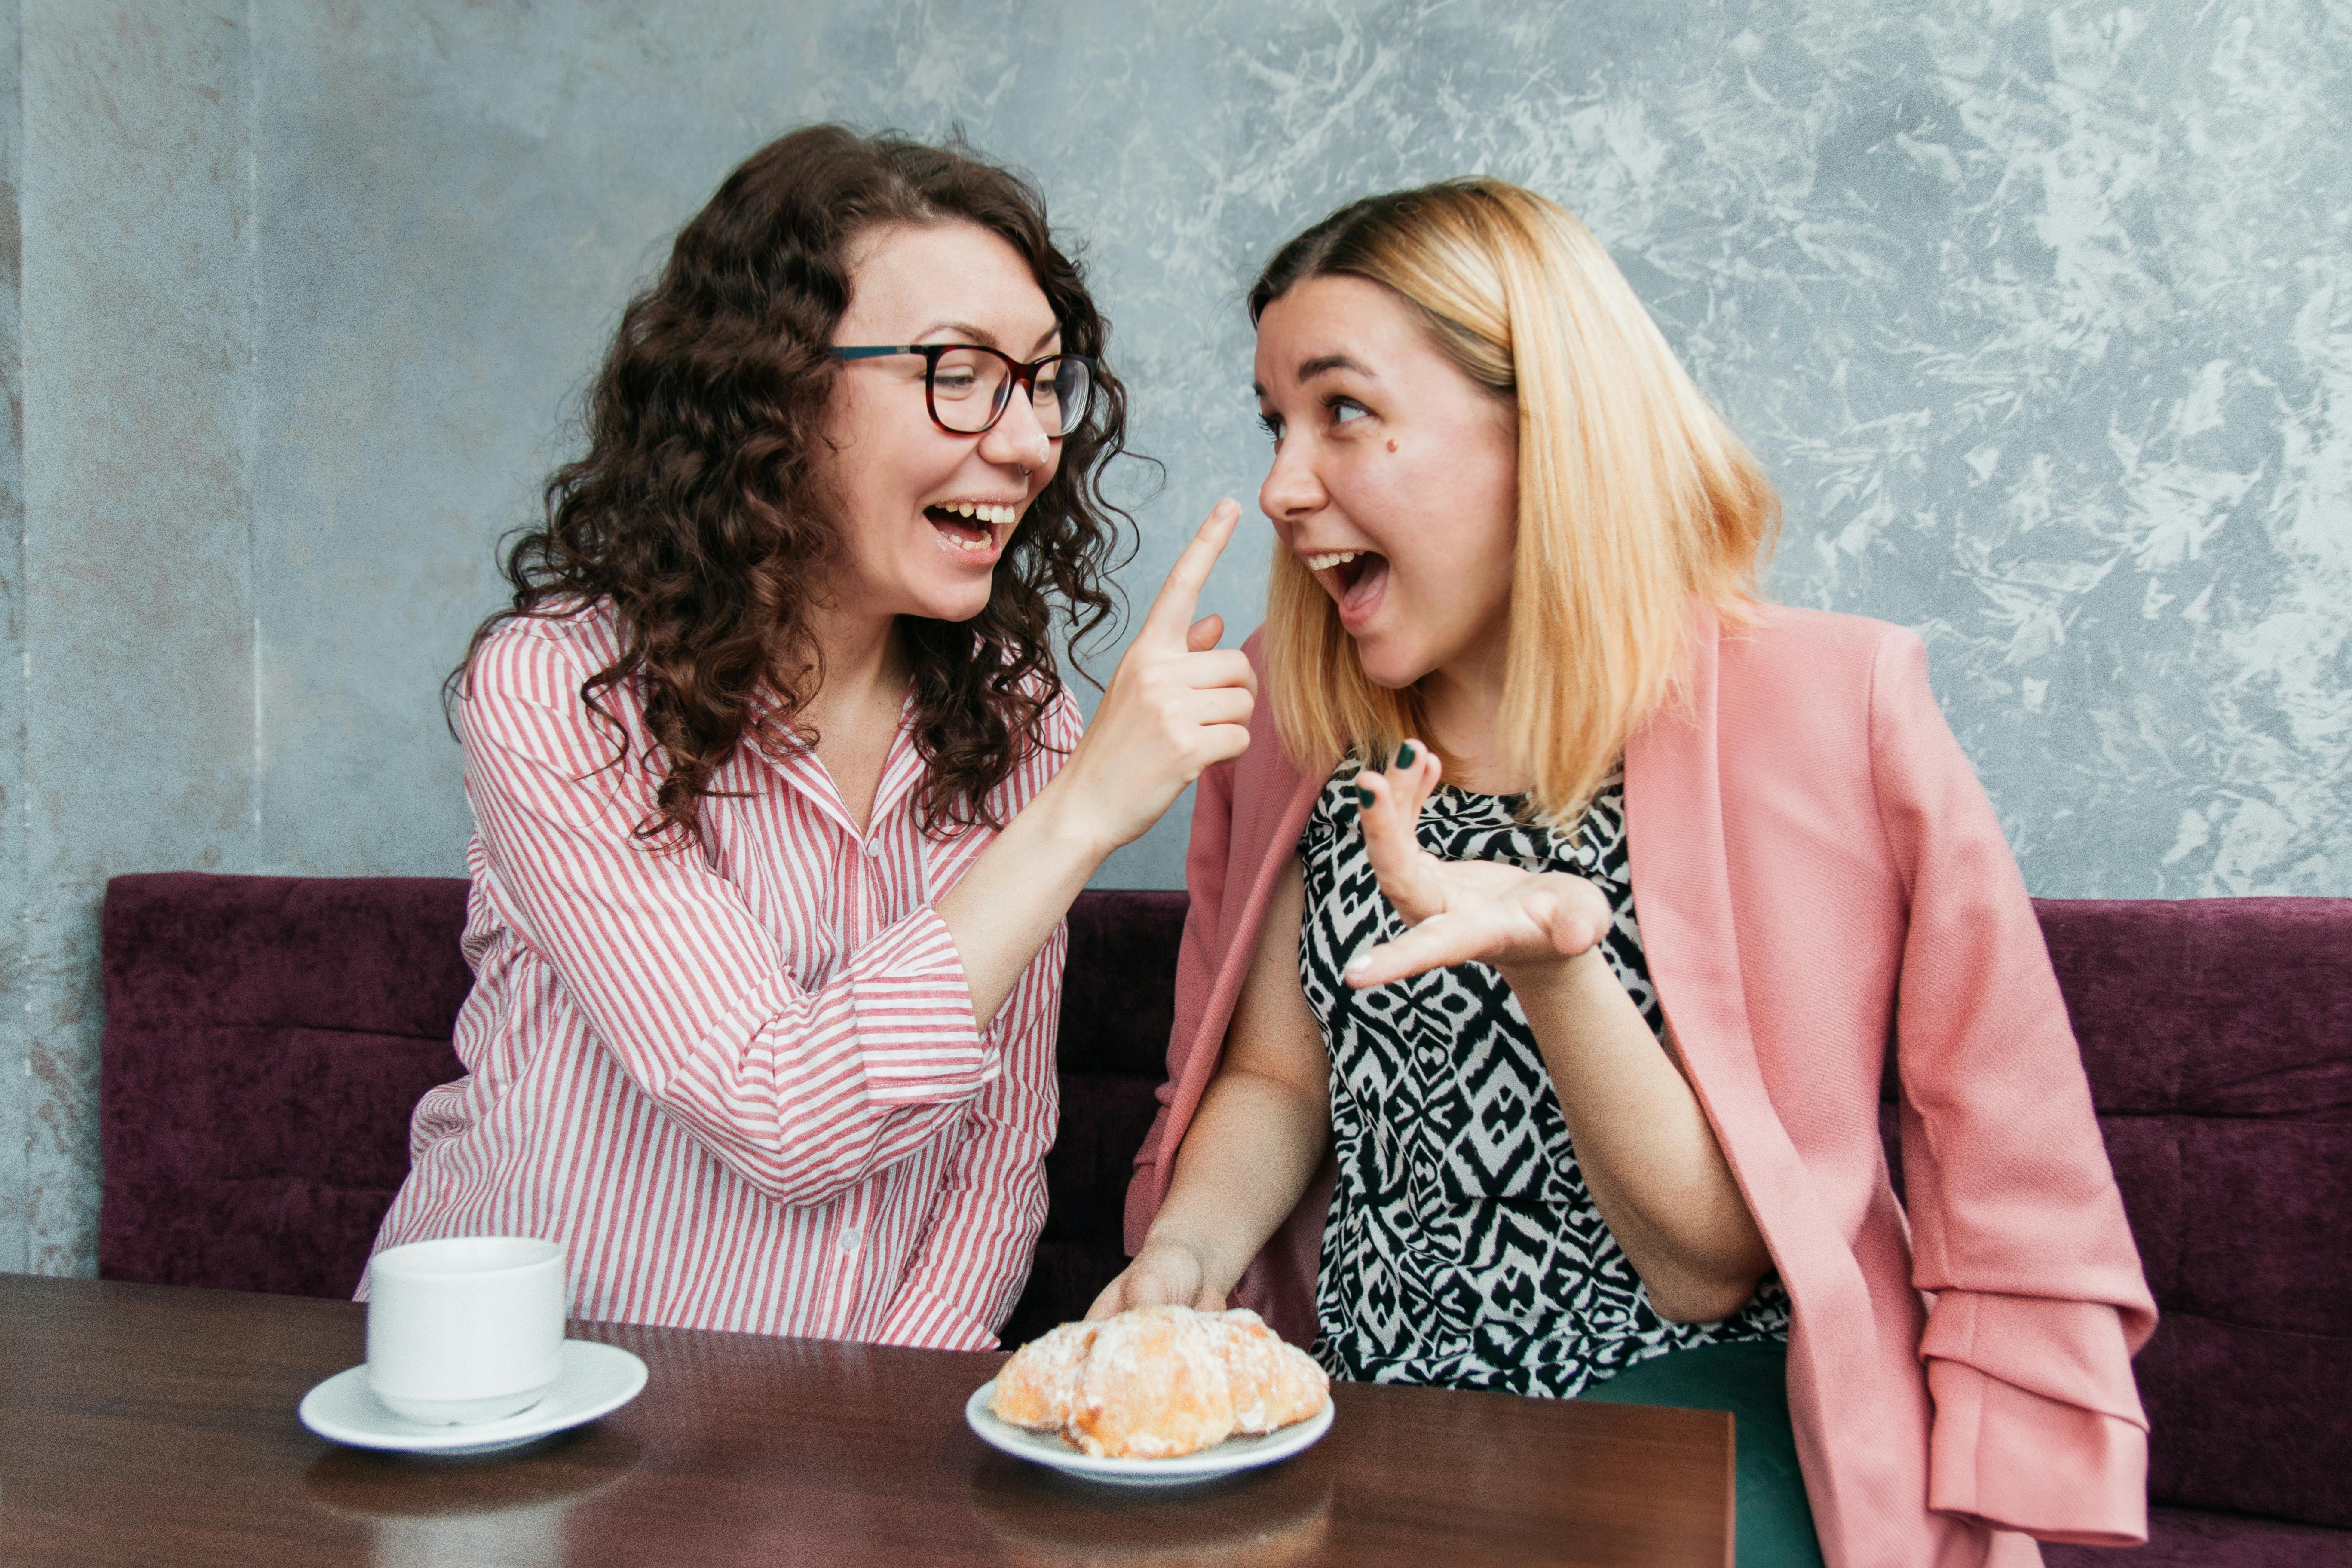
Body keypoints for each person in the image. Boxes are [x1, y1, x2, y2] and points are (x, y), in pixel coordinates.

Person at [1102, 178, 2156, 1566]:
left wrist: (1555, 965)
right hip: (1367, 1408)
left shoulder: (1828, 708)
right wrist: (1185, 1254)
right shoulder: (1296, 721)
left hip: (1692, 1416)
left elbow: (1711, 1265)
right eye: (1274, 425)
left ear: (1545, 423)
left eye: (1343, 411)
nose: (1286, 485)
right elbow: (1280, 1077)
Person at [367, 126, 1256, 1351]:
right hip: (519, 1396)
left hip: (852, 1443)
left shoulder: (1021, 724)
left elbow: (993, 1169)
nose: (1028, 439)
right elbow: (775, 1107)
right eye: (957, 371)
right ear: (772, 392)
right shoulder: (561, 688)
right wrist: (1081, 817)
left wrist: (872, 1441)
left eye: (1043, 378)